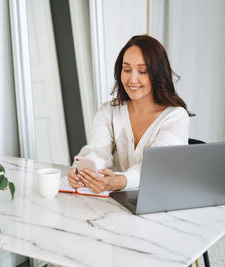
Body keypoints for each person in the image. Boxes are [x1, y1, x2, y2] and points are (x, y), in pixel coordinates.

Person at [68, 35, 192, 193]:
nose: (132, 79)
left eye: (142, 71)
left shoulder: (176, 117)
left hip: (159, 201)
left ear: (157, 74)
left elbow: (156, 168)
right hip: (114, 204)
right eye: (126, 70)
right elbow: (98, 150)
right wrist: (83, 171)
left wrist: (119, 181)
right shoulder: (109, 111)